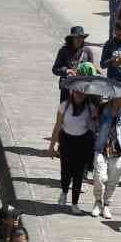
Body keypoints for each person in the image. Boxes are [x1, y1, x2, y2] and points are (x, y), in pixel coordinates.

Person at [48, 85, 96, 214]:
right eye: (77, 92)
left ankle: (75, 203)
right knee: (66, 170)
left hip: (82, 143)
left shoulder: (90, 108)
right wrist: (51, 146)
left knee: (79, 174)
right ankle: (64, 192)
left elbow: (94, 127)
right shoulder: (64, 106)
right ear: (72, 92)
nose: (79, 95)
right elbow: (57, 126)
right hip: (66, 141)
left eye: (82, 93)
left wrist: (94, 119)